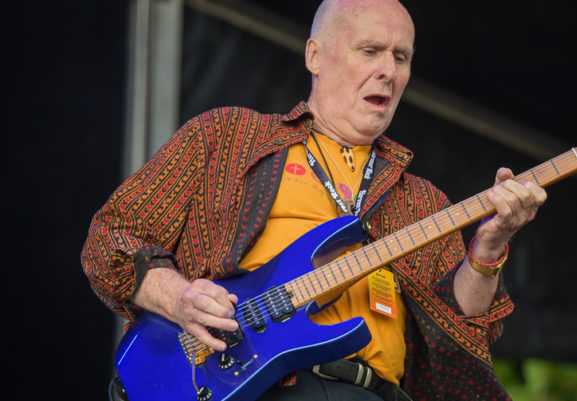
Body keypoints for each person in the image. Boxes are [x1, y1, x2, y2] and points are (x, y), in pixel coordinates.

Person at [82, 0, 547, 400]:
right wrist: (180, 297)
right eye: (370, 50)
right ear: (315, 55)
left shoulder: (423, 202)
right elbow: (111, 239)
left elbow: (462, 337)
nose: (388, 71)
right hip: (240, 384)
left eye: (401, 57)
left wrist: (487, 250)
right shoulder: (228, 138)